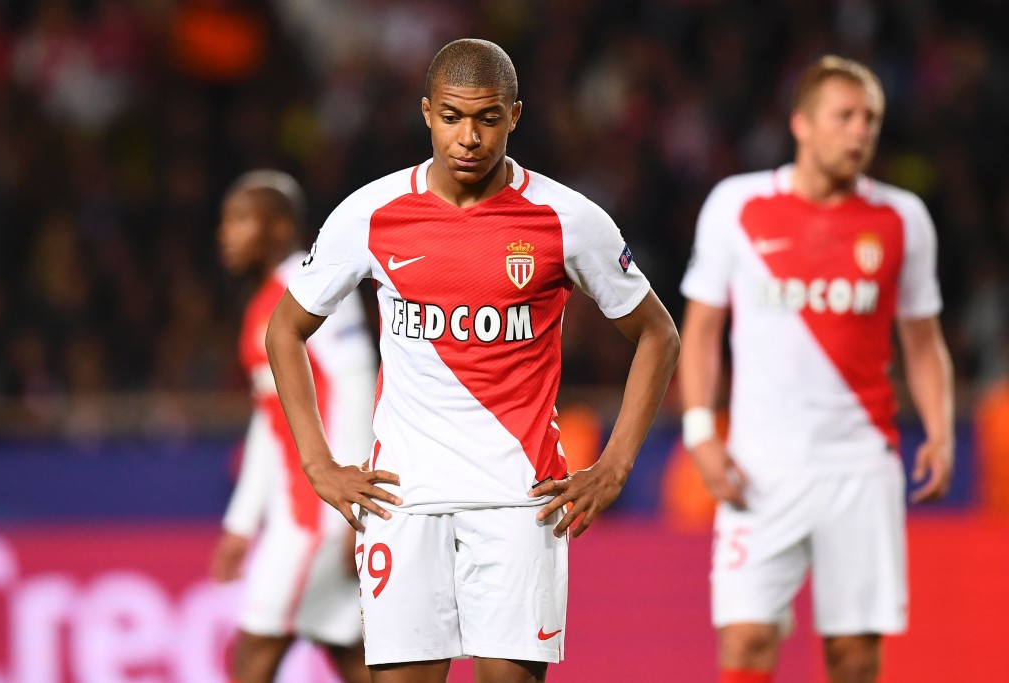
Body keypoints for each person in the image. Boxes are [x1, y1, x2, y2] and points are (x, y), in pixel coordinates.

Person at [265, 38, 680, 683]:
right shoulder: (371, 214)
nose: (469, 138)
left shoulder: (566, 219)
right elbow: (286, 329)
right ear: (426, 113)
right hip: (402, 498)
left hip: (520, 499)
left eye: (488, 118)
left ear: (514, 117)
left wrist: (615, 464)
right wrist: (319, 464)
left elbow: (657, 334)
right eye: (453, 117)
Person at [678, 56, 955, 683]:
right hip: (760, 468)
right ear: (802, 124)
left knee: (853, 655)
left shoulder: (902, 219)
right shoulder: (737, 206)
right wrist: (700, 435)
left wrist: (941, 430)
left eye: (872, 120)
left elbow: (922, 339)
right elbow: (700, 332)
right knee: (746, 640)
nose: (861, 132)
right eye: (846, 117)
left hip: (859, 467)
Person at [210, 170, 375, 683]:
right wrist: (243, 521)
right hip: (298, 509)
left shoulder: (317, 287)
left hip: (319, 513)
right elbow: (271, 417)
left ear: (280, 227)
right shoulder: (266, 300)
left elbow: (357, 388)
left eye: (241, 218)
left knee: (255, 650)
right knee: (349, 651)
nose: (226, 233)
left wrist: (355, 510)